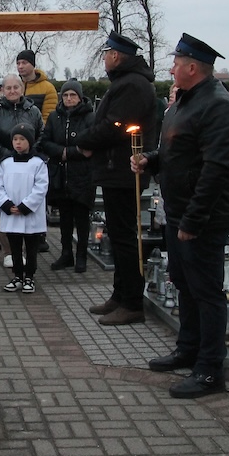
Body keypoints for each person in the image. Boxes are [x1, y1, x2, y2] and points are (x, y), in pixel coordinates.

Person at [133, 34, 229, 399]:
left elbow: (215, 169)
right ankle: (188, 348)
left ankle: (210, 369)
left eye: (176, 63)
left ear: (193, 68)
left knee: (206, 291)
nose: (171, 69)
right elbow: (176, 152)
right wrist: (151, 160)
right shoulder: (183, 102)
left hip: (202, 217)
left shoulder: (218, 106)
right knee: (183, 282)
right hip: (177, 210)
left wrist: (194, 220)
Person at [75, 31, 158, 326]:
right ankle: (120, 295)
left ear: (115, 56)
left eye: (106, 54)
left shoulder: (133, 85)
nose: (104, 59)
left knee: (124, 238)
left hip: (123, 170)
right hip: (115, 169)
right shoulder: (126, 82)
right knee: (118, 235)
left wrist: (85, 141)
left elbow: (115, 126)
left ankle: (132, 302)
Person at [0, 74, 44, 265]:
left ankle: (27, 249)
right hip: (3, 163)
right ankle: (9, 252)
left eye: (15, 87)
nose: (12, 91)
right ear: (2, 90)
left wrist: (29, 153)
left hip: (29, 164)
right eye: (8, 88)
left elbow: (41, 134)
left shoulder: (33, 111)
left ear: (22, 89)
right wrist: (7, 155)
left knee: (26, 204)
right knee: (5, 207)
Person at [39, 79, 96, 273]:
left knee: (81, 217)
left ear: (80, 97)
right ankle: (66, 253)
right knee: (64, 218)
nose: (69, 98)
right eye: (65, 95)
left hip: (83, 175)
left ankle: (81, 255)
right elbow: (45, 141)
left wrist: (69, 153)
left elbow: (89, 146)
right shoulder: (55, 117)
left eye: (73, 95)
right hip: (60, 174)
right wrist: (64, 152)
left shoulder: (89, 117)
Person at [0, 123, 48, 293]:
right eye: (15, 139)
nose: (18, 143)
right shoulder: (6, 163)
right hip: (11, 213)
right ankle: (17, 275)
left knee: (31, 248)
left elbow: (41, 187)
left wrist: (25, 206)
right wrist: (7, 205)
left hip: (30, 214)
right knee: (14, 247)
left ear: (30, 141)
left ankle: (29, 277)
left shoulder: (38, 163)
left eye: (22, 139)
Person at [16, 50, 59, 124]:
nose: (20, 66)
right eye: (18, 63)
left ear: (33, 65)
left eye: (24, 63)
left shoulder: (48, 88)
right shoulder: (14, 87)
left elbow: (49, 118)